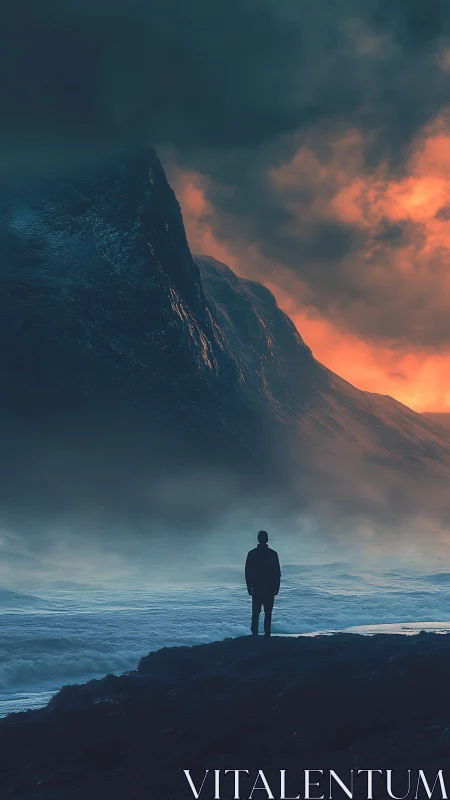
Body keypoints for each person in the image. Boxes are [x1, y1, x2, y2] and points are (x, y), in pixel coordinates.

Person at [245, 530, 281, 637]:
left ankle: (254, 633)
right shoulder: (273, 554)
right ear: (267, 539)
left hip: (257, 587)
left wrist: (249, 587)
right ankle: (267, 633)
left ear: (258, 539)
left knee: (255, 612)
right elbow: (277, 572)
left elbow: (247, 572)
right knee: (268, 612)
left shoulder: (252, 553)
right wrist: (277, 586)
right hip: (269, 587)